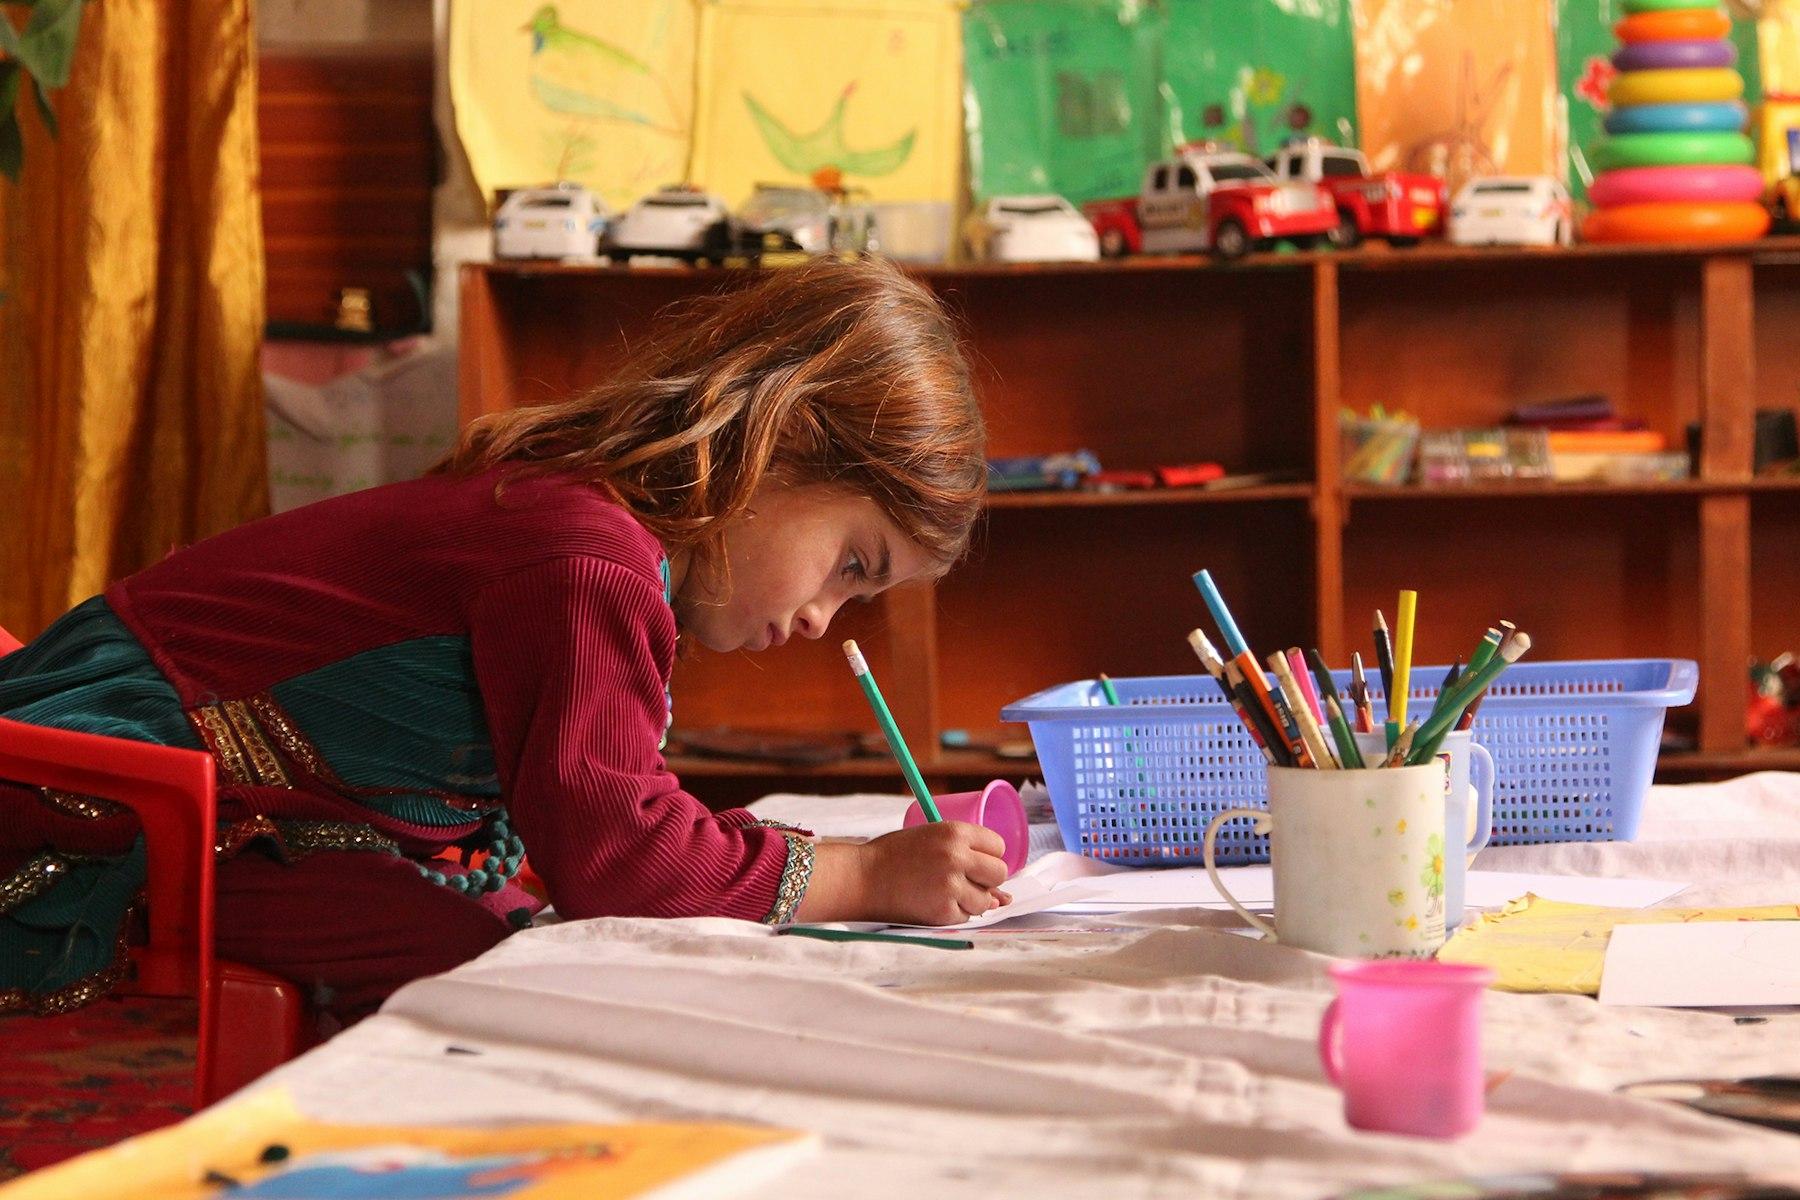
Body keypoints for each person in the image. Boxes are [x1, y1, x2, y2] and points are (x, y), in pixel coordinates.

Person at [0, 257, 1008, 1024]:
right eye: (853, 563)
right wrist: (865, 876)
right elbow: (621, 859)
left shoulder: (609, 541)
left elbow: (595, 824)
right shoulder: (588, 559)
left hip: (246, 801)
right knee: (509, 980)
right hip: (121, 782)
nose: (824, 619)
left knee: (509, 947)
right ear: (777, 439)